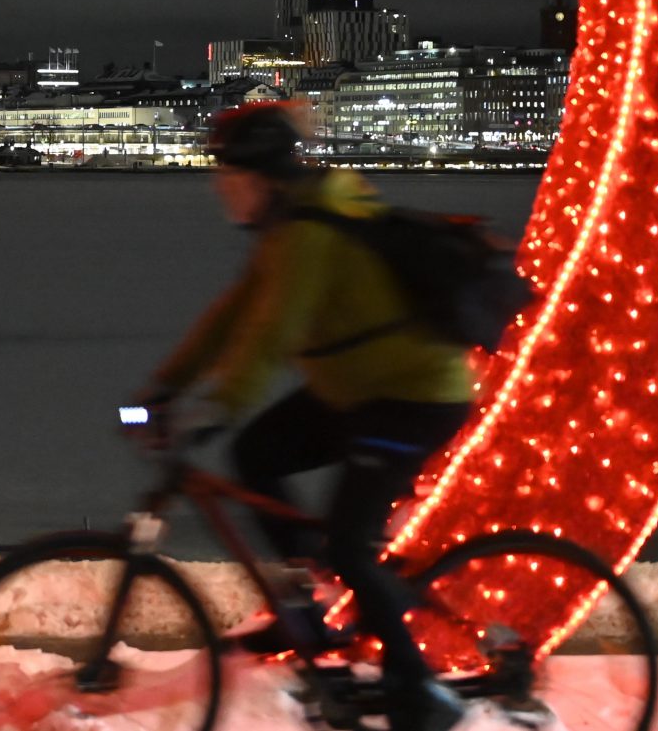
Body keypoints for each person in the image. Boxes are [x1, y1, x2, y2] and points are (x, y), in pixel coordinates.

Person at [141, 101, 475, 731]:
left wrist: (217, 408)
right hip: (357, 390)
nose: (220, 187)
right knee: (257, 453)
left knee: (349, 544)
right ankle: (304, 607)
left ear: (261, 179)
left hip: (413, 396)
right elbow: (232, 317)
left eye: (230, 175)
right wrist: (164, 388)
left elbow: (272, 335)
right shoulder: (285, 231)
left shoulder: (307, 235)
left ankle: (422, 692)